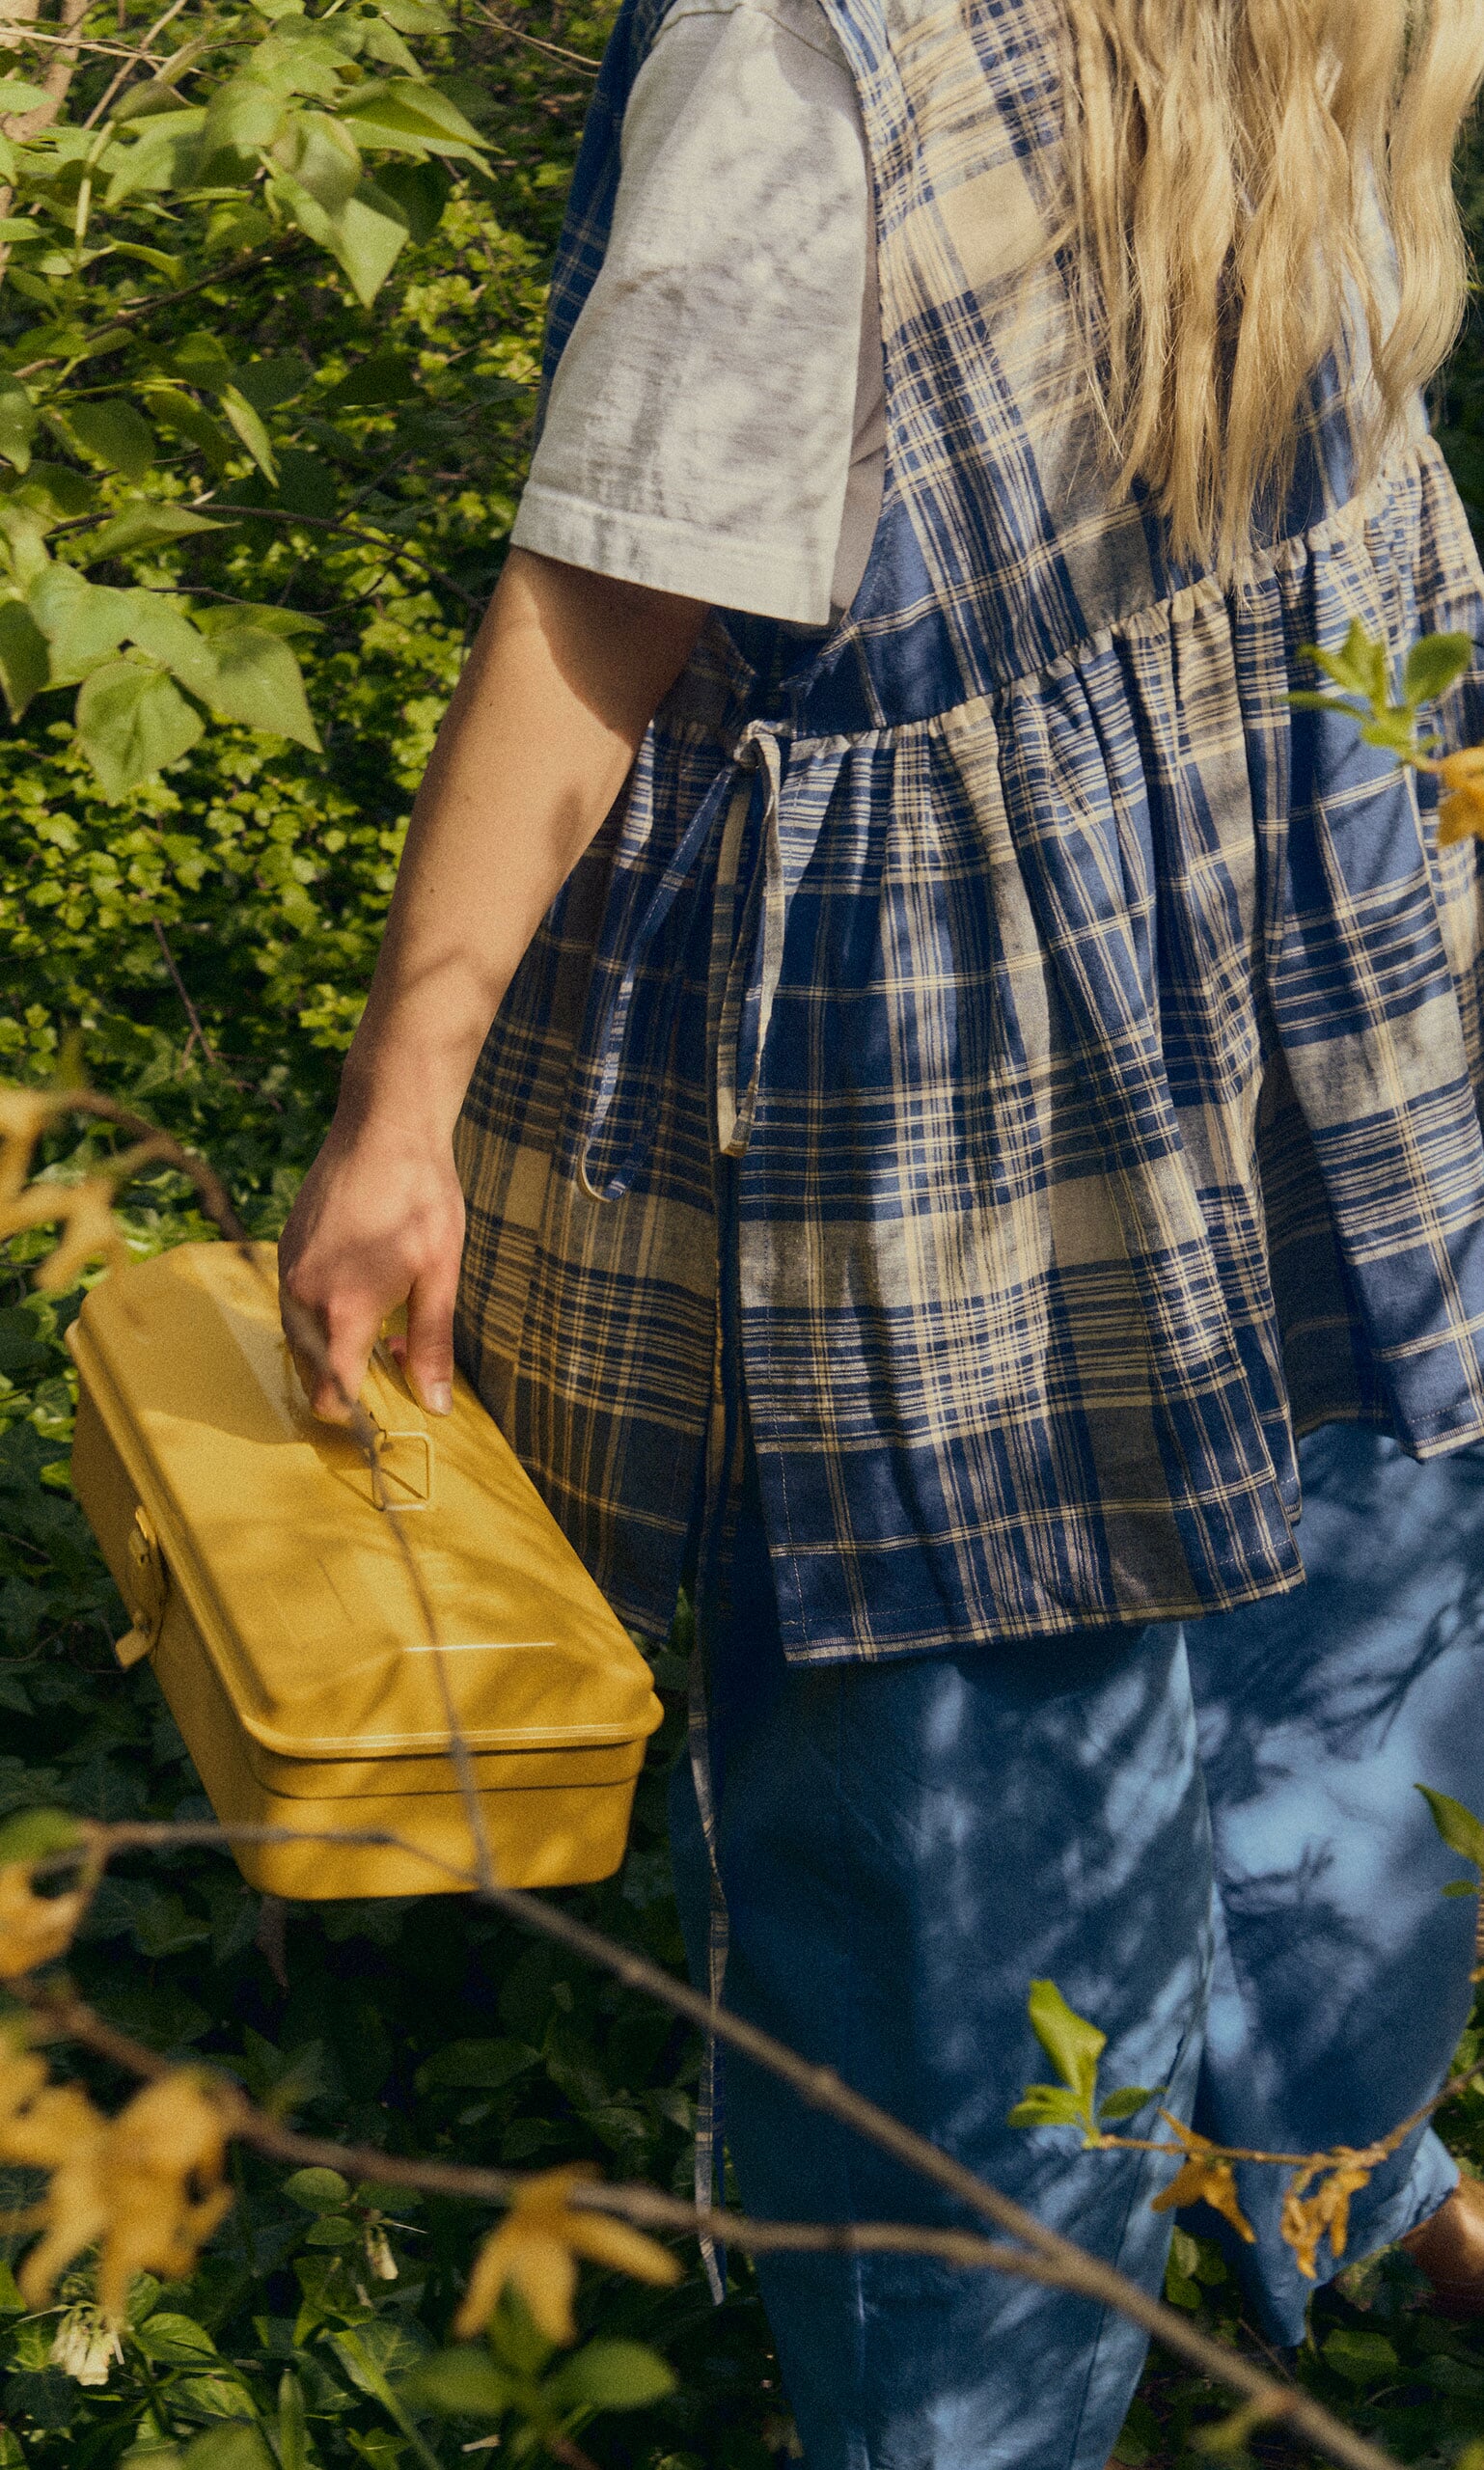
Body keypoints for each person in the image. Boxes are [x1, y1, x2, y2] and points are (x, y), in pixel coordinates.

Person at [278, 0, 1484, 2459]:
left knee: (975, 1748)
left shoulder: (795, 41)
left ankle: (1027, 2350)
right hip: (1309, 865)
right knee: (1343, 1537)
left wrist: (398, 1107)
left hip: (975, 1015)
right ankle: (1315, 2155)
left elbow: (612, 599)